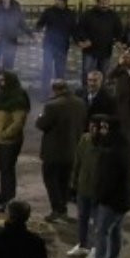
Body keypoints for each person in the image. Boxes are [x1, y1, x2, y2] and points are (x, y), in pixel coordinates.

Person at [91, 115, 130, 258]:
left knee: (101, 232)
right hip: (123, 199)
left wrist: (98, 198)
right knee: (115, 232)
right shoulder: (124, 146)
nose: (101, 131)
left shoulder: (112, 152)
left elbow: (108, 180)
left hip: (111, 200)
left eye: (104, 128)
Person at [35, 79, 84, 223]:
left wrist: (39, 118)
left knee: (51, 180)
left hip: (54, 152)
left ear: (54, 89)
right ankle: (63, 207)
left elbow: (42, 124)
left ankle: (58, 209)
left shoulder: (52, 105)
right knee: (64, 181)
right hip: (72, 150)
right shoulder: (80, 103)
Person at [0, 70, 29, 212]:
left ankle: (9, 200)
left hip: (10, 141)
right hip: (1, 140)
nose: (0, 83)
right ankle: (3, 194)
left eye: (3, 80)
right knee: (3, 169)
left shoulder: (17, 97)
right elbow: (1, 113)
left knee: (7, 170)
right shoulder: (3, 95)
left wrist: (5, 134)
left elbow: (18, 121)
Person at [67, 120, 103, 258]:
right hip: (83, 187)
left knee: (96, 220)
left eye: (96, 127)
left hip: (97, 189)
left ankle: (95, 249)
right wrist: (74, 182)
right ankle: (82, 245)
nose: (93, 129)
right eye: (91, 126)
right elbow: (78, 161)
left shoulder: (106, 144)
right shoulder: (85, 139)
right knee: (82, 217)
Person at [76, 0, 123, 79]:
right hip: (90, 50)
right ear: (97, 3)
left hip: (105, 50)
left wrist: (118, 40)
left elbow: (119, 30)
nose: (104, 5)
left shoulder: (113, 16)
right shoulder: (88, 15)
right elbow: (80, 29)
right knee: (87, 73)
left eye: (106, 3)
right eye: (102, 3)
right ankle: (86, 91)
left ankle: (101, 91)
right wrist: (84, 39)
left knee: (103, 73)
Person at [35, 0, 76, 92]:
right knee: (46, 70)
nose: (57, 2)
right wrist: (38, 32)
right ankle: (44, 93)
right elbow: (39, 24)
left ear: (65, 2)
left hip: (62, 47)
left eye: (60, 0)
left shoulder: (70, 14)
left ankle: (59, 93)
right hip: (49, 45)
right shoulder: (49, 11)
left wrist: (78, 41)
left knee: (60, 71)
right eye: (56, 0)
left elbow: (74, 30)